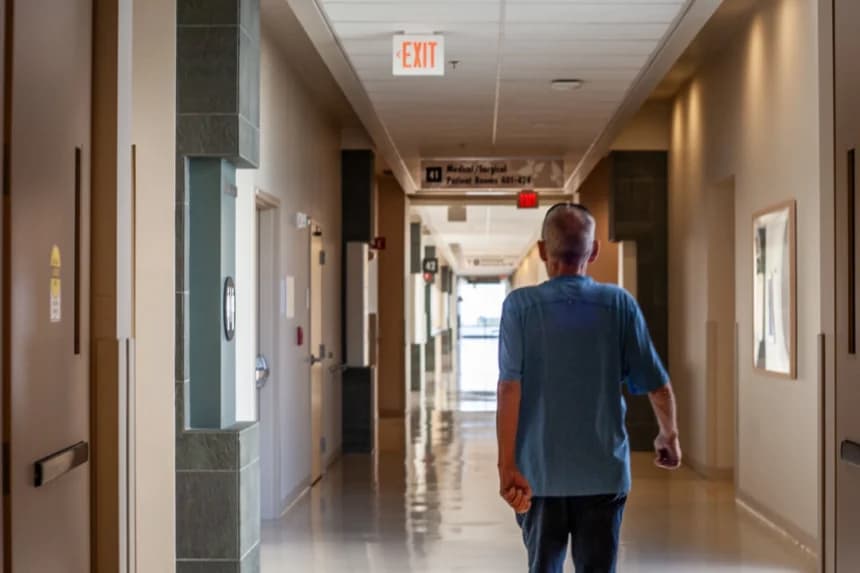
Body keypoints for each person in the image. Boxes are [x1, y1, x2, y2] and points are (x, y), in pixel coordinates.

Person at [496, 203, 681, 573]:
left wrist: (507, 466)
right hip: (603, 473)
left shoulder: (519, 306)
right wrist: (668, 435)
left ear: (542, 250)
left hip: (539, 474)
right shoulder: (619, 304)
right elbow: (658, 386)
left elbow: (509, 389)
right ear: (593, 251)